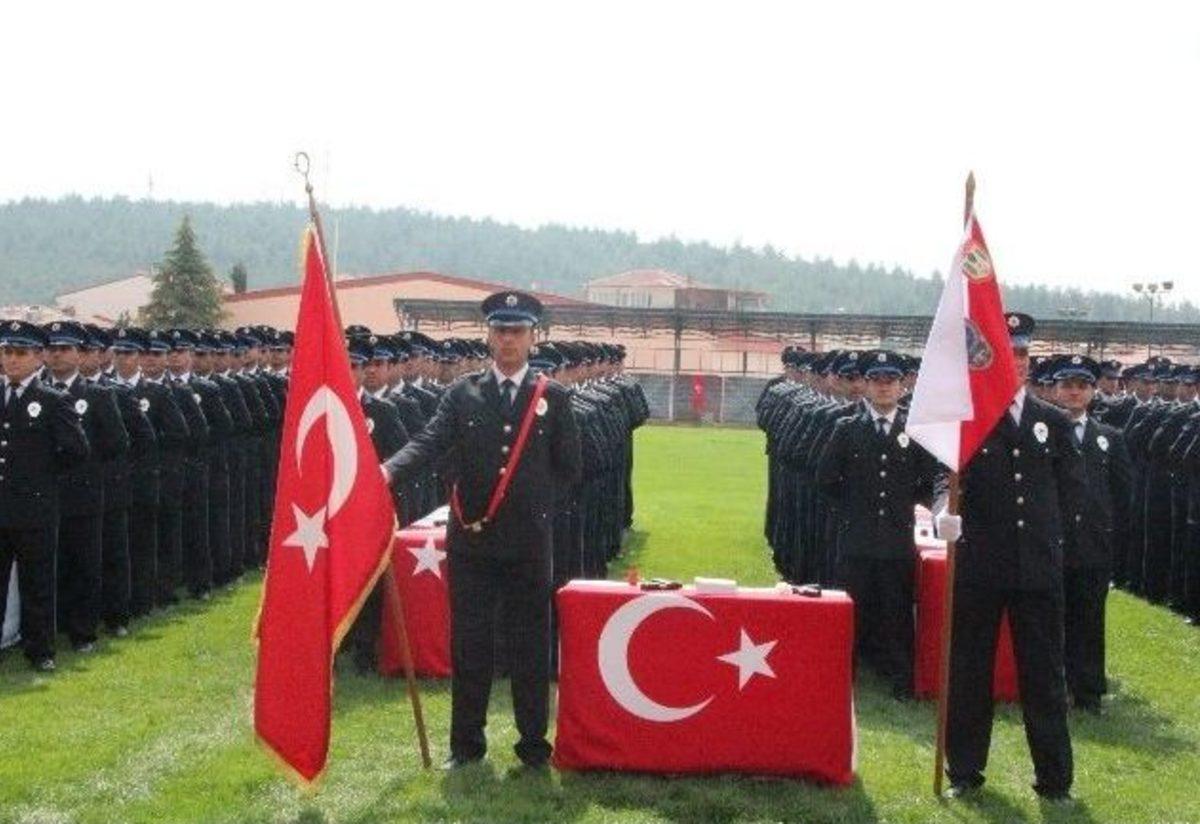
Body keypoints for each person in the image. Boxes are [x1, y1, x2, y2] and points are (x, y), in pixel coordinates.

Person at [383, 291, 582, 770]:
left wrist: (535, 507)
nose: (508, 339)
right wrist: (387, 471)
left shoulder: (552, 397)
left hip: (528, 544)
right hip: (472, 540)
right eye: (500, 331)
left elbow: (570, 468)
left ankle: (533, 745)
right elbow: (429, 441)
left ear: (533, 338)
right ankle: (466, 746)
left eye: (517, 331)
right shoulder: (463, 394)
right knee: (469, 644)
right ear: (488, 336)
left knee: (530, 645)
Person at [935, 312, 1085, 802]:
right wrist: (943, 512)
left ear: (1030, 363)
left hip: (1037, 570)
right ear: (989, 359)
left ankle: (1055, 781)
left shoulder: (1053, 422)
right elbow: (943, 479)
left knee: (1043, 676)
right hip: (980, 566)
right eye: (1007, 353)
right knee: (969, 672)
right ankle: (964, 772)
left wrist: (1059, 549)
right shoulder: (968, 419)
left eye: (1022, 354)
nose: (1015, 362)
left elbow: (1072, 493)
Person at [816, 350, 936, 700]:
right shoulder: (847, 428)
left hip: (897, 537)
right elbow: (826, 479)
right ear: (866, 385)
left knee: (897, 609)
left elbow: (928, 481)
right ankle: (845, 675)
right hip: (857, 537)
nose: (884, 387)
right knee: (853, 608)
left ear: (902, 386)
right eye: (877, 381)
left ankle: (901, 678)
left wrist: (906, 507)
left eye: (891, 381)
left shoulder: (913, 431)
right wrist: (852, 509)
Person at [0, 321, 90, 671]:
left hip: (35, 507)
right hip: (2, 507)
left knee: (37, 582)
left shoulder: (52, 399)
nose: (12, 360)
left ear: (38, 357)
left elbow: (77, 450)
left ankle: (40, 650)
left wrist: (41, 475)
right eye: (7, 352)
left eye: (20, 353)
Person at [42, 321, 130, 652]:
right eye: (52, 349)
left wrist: (86, 465)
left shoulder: (97, 395)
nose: (57, 355)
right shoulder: (38, 394)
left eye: (65, 349)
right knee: (52, 565)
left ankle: (83, 631)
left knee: (84, 564)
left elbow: (117, 442)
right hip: (46, 494)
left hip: (85, 491)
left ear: (79, 354)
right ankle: (57, 624)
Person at [1053, 354, 1131, 714]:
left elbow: (1122, 493)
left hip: (1093, 546)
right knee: (1052, 620)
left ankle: (1088, 691)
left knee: (1089, 619)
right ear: (1056, 390)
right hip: (1052, 544)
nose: (1074, 392)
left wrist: (1111, 536)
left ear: (1093, 391)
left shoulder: (1110, 438)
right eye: (1067, 385)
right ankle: (1054, 688)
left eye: (1082, 386)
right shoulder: (1043, 433)